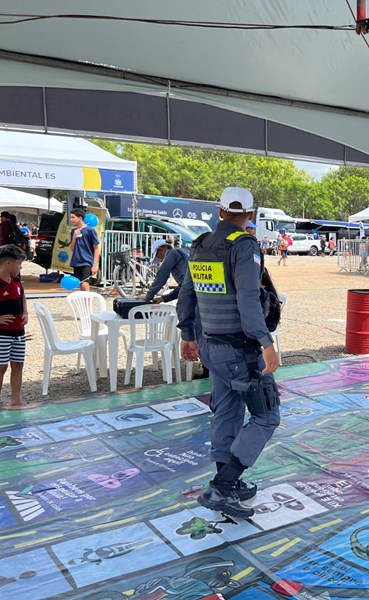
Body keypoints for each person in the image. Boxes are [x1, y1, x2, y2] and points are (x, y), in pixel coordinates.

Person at [177, 186, 280, 519]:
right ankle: (223, 485)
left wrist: (188, 334)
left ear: (220, 211)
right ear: (249, 216)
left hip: (211, 346)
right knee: (266, 415)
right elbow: (248, 300)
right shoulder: (244, 246)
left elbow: (188, 293)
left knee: (226, 412)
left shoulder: (200, 245)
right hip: (240, 349)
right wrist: (266, 342)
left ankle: (228, 482)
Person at [0, 245, 28, 408]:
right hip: (2, 332)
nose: (21, 267)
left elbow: (22, 294)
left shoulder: (16, 278)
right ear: (8, 263)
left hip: (18, 330)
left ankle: (16, 399)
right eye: (19, 263)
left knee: (18, 364)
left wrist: (25, 312)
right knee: (1, 366)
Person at [138, 240, 188, 304]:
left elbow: (161, 277)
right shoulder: (181, 252)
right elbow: (184, 287)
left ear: (161, 250)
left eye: (158, 256)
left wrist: (148, 296)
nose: (160, 260)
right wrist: (163, 298)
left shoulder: (172, 253)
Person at [68, 208, 100, 291]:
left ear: (80, 218)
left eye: (73, 217)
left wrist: (95, 264)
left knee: (85, 284)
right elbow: (71, 248)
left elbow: (96, 248)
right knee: (80, 284)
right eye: (70, 218)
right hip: (76, 261)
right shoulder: (73, 231)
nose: (71, 220)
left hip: (87, 261)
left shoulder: (90, 231)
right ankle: (83, 302)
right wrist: (74, 237)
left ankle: (88, 303)